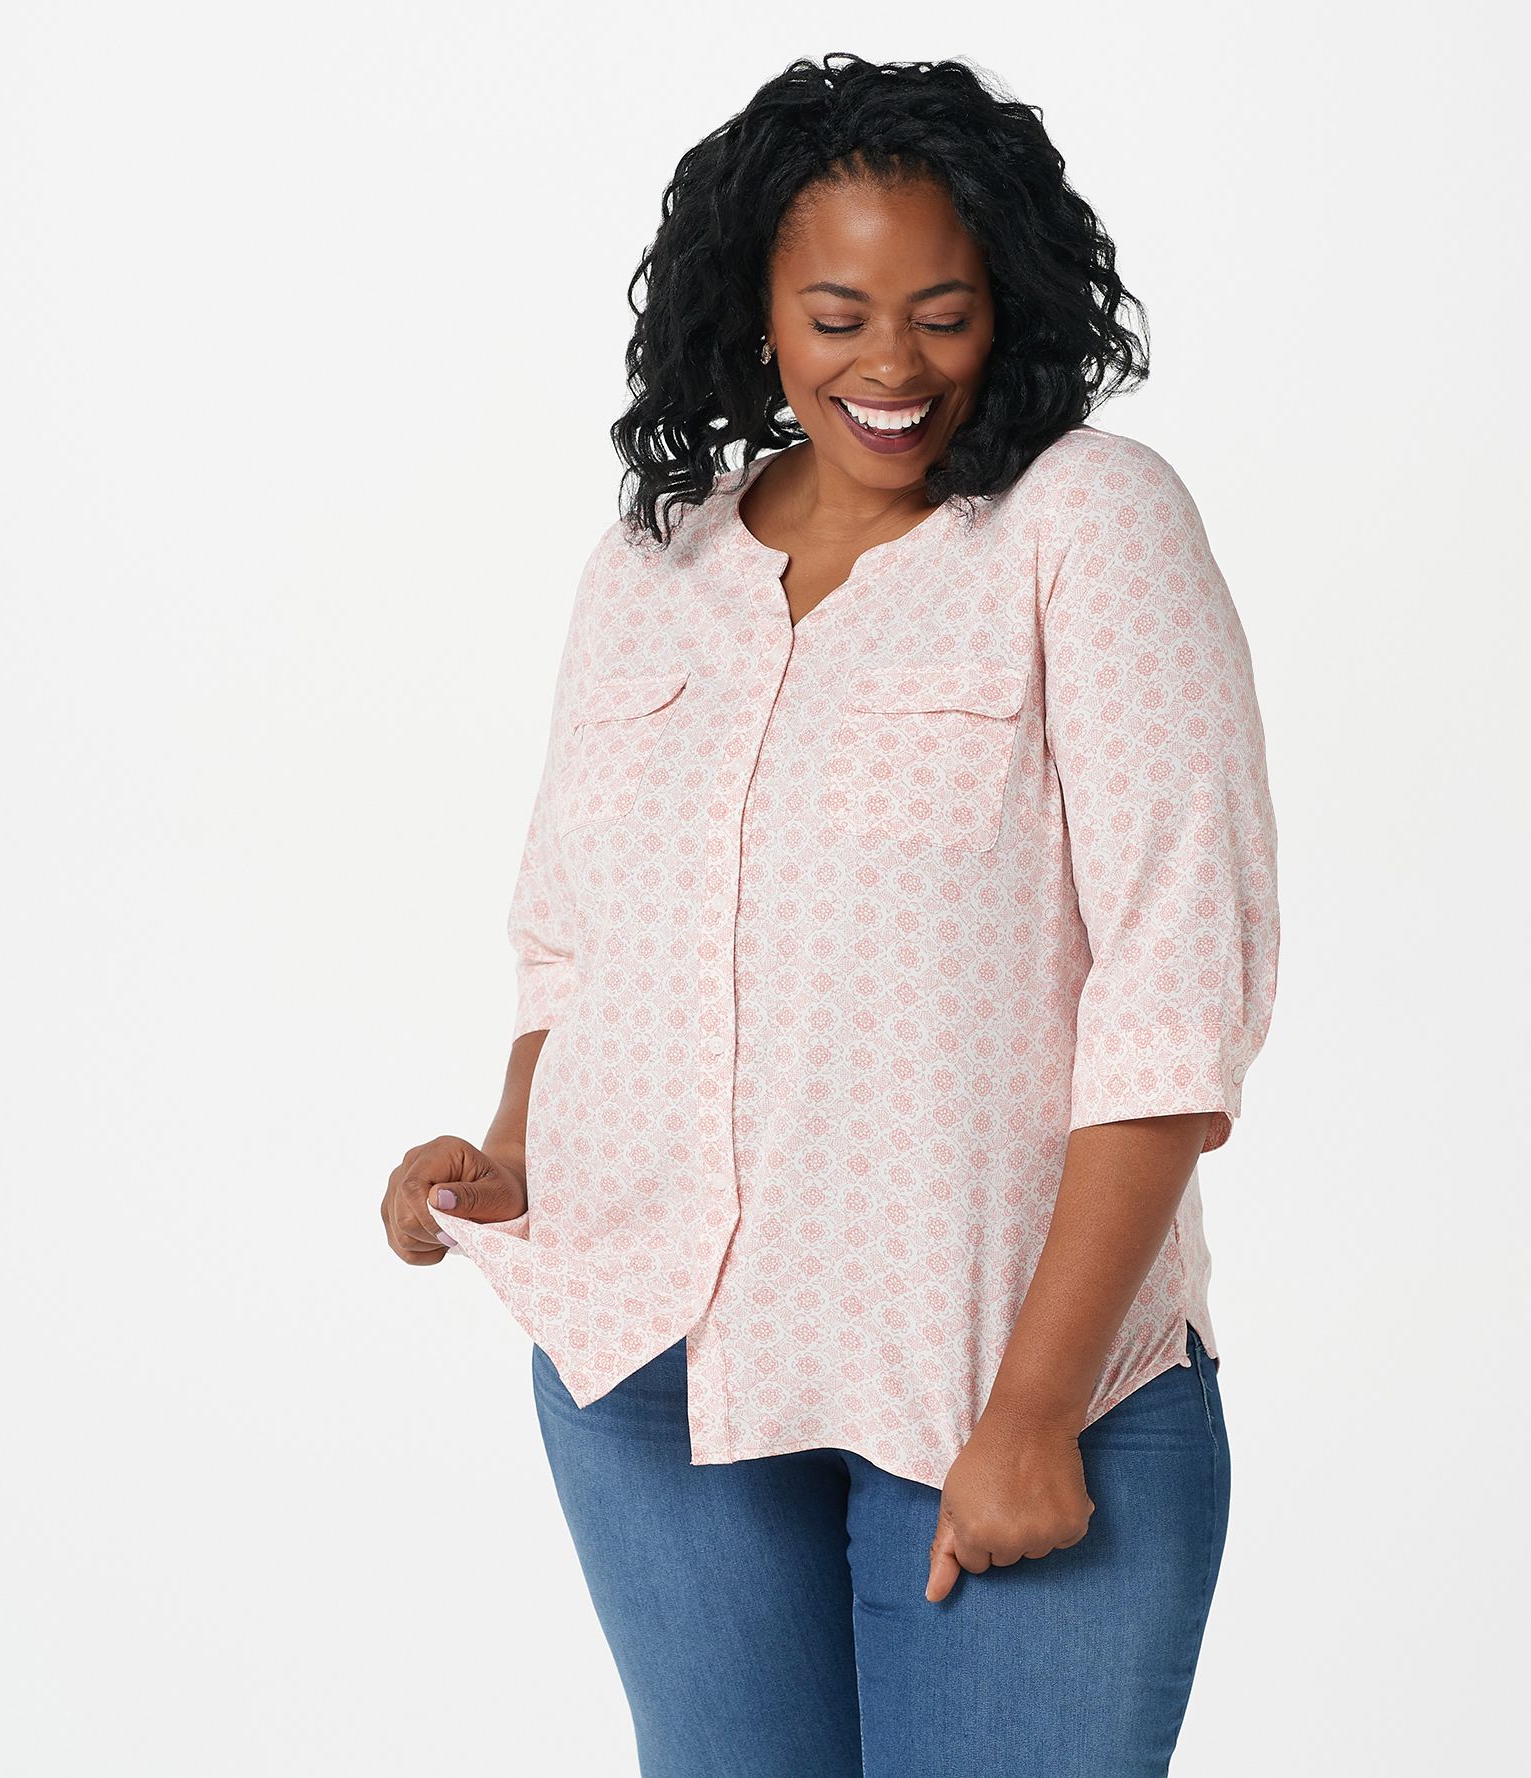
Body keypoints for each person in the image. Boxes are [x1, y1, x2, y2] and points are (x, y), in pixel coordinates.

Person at [381, 52, 1280, 1778]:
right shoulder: (652, 564)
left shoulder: (1088, 522)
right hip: (653, 1376)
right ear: (757, 309)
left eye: (943, 314)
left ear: (1010, 306)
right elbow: (571, 938)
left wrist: (1032, 1408)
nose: (894, 366)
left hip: (992, 1376)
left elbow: (1175, 992)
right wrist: (505, 1151)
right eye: (840, 315)